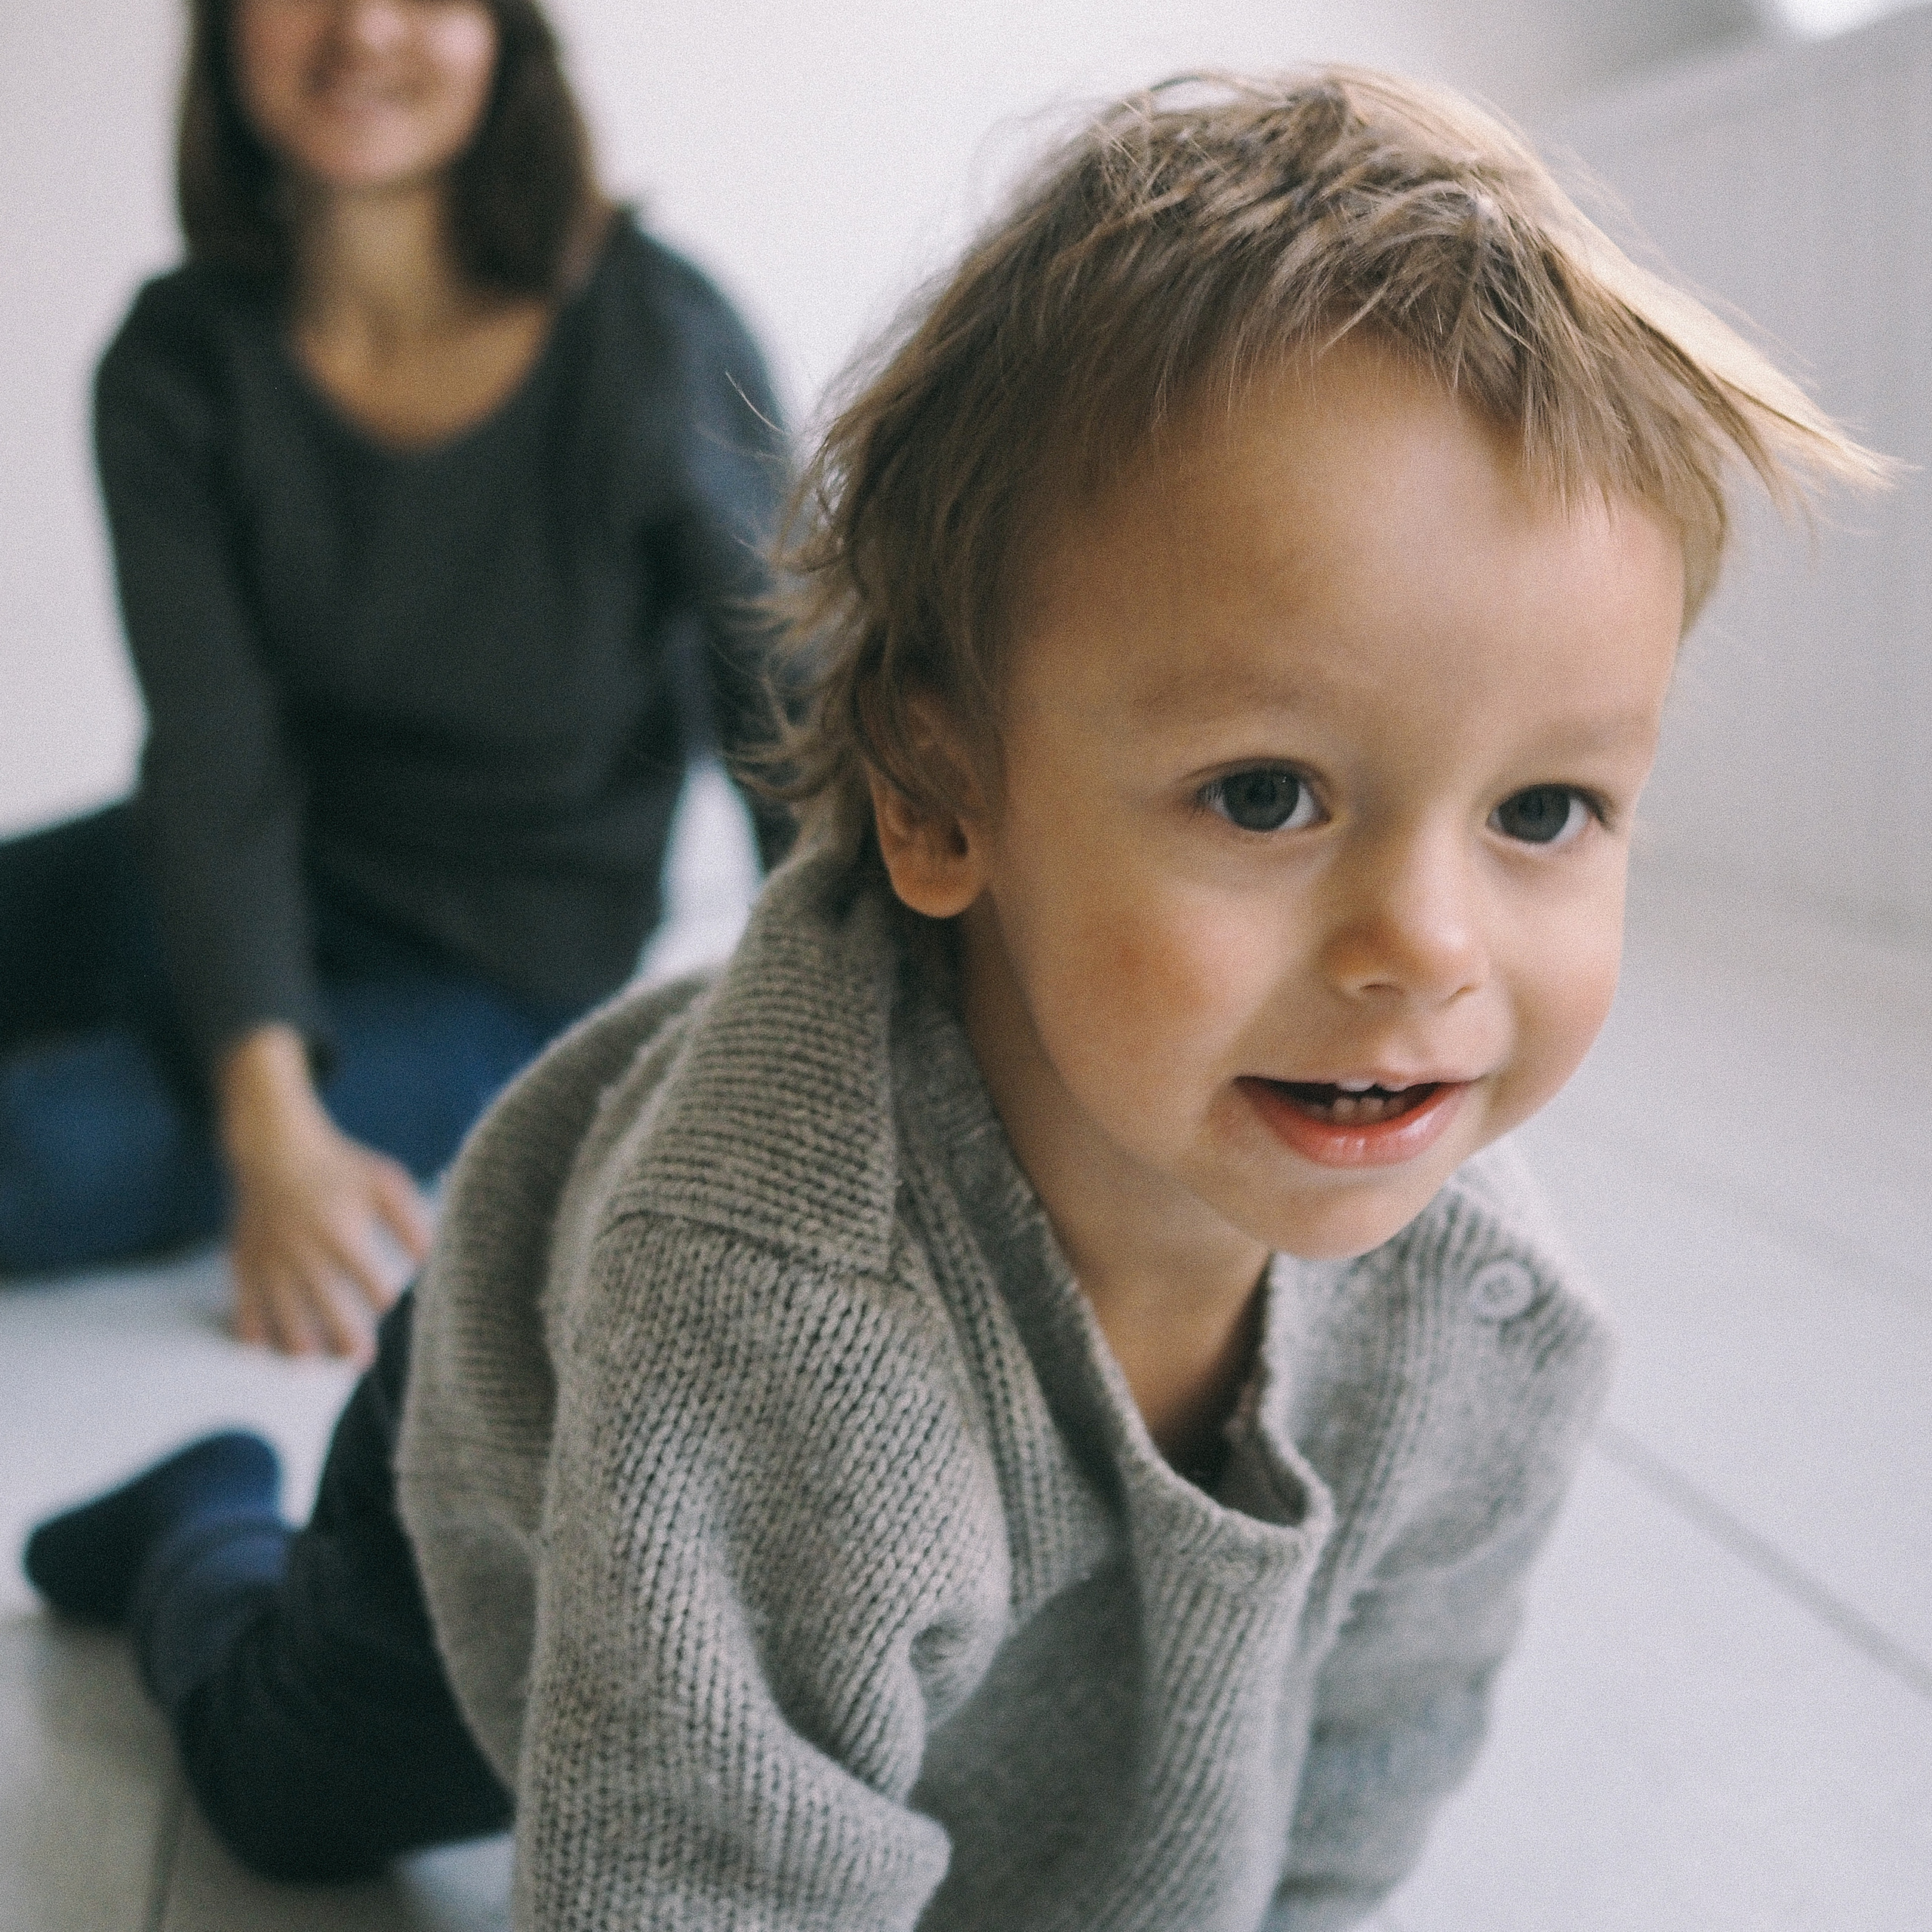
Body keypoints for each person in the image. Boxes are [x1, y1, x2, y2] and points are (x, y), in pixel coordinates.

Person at [23, 69, 1881, 1925]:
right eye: (1262, 793)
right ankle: (200, 1523)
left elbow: (1355, 1775)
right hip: (508, 1466)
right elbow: (691, 1882)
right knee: (285, 1783)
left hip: (779, 1419)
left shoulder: (1491, 1332)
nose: (1426, 946)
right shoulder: (774, 1308)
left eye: (1541, 809)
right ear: (934, 795)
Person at [0, 0, 787, 1358]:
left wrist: (835, 1078)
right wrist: (265, 1111)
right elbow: (213, 756)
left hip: (496, 965)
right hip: (239, 875)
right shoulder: (175, 360)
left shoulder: (651, 332)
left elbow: (795, 717)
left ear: (507, 33)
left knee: (43, 1155)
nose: (363, 27)